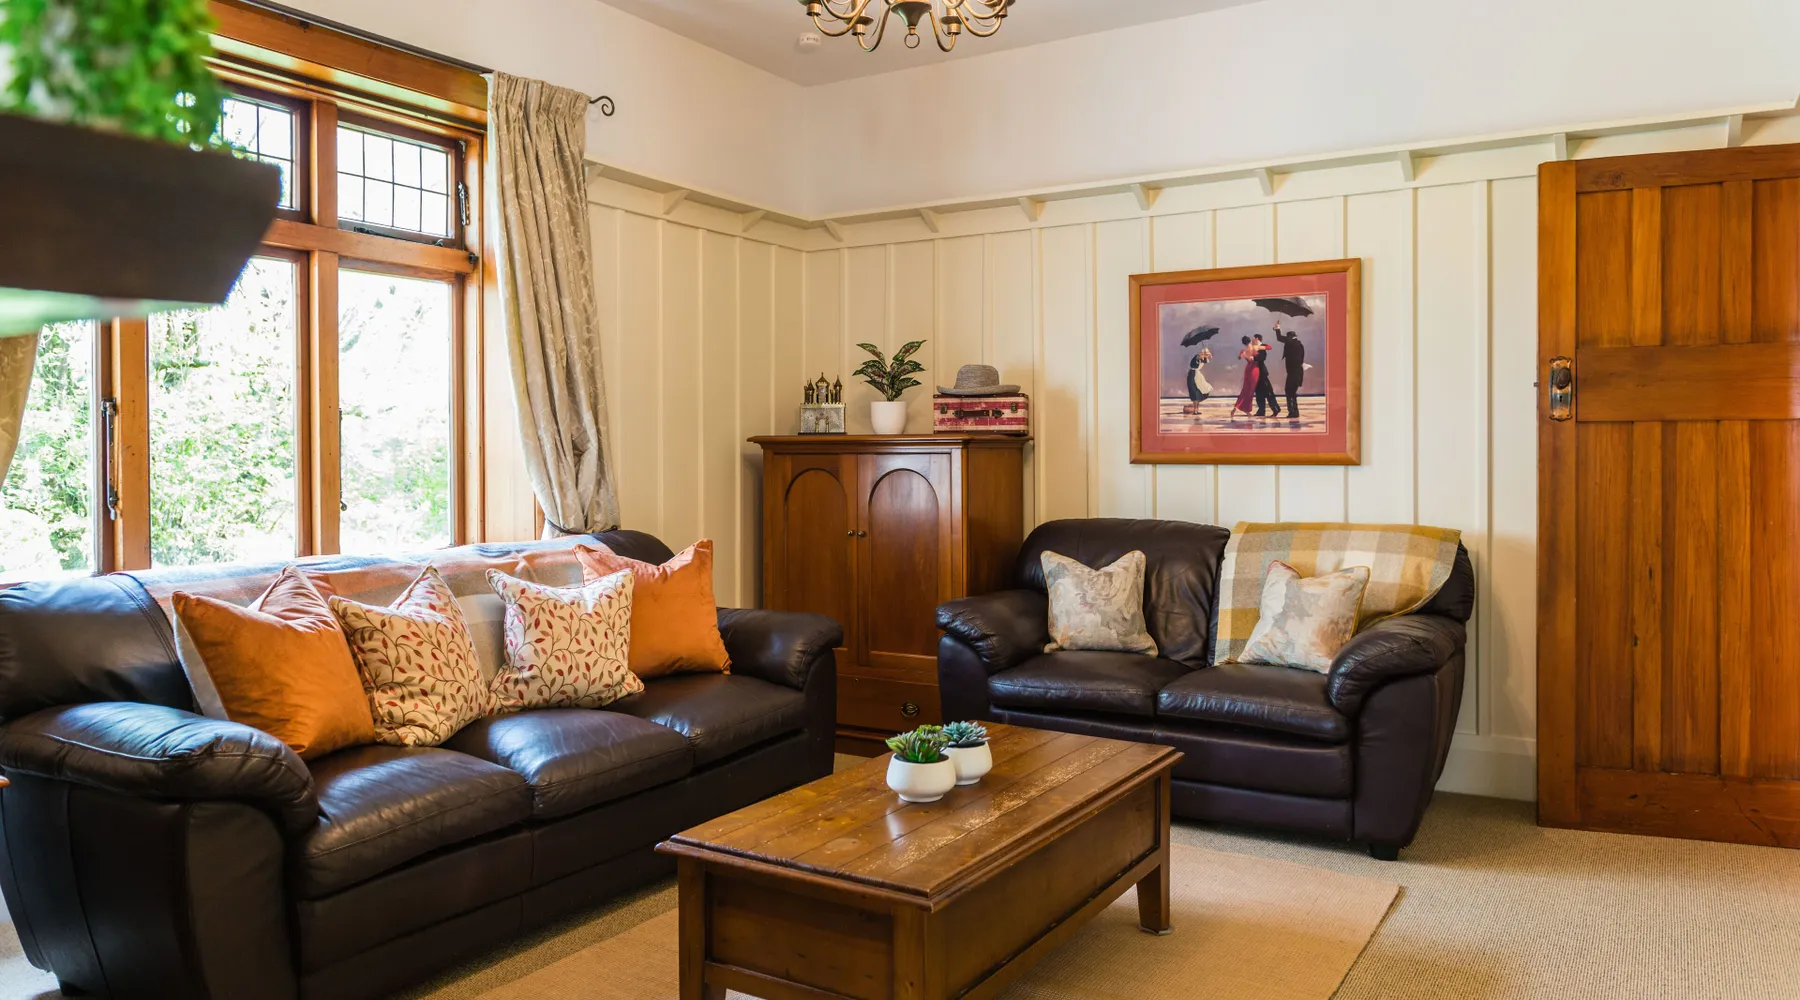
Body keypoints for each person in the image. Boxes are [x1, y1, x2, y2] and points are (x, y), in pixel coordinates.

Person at [1274, 324, 1306, 419]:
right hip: (1297, 372)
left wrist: (1277, 329)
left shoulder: (1292, 343)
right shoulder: (1299, 345)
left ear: (1290, 337)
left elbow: (1280, 338)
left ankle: (1292, 412)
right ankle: (1294, 412)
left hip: (1293, 373)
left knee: (1289, 391)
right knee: (1292, 392)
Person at [1251, 334, 1279, 417]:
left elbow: (1262, 358)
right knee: (1259, 393)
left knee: (1268, 392)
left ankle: (1275, 408)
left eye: (1253, 338)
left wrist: (1254, 356)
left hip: (1262, 373)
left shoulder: (1262, 347)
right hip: (1256, 373)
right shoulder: (1254, 347)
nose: (1252, 340)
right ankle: (1261, 410)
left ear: (1257, 338)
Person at [1231, 337, 1259, 419]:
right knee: (1250, 391)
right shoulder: (1254, 348)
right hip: (1254, 370)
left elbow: (1239, 357)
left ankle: (1237, 407)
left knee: (1245, 390)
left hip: (1248, 370)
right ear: (1250, 340)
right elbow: (1258, 357)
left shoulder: (1243, 351)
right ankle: (1246, 409)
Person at [1185, 347, 1213, 413]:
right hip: (1192, 376)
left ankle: (1196, 409)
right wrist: (1202, 357)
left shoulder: (1203, 359)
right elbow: (1196, 360)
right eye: (1205, 354)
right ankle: (1195, 410)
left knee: (1199, 393)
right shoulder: (1197, 357)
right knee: (1195, 393)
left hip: (1197, 376)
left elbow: (1206, 360)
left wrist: (1208, 356)